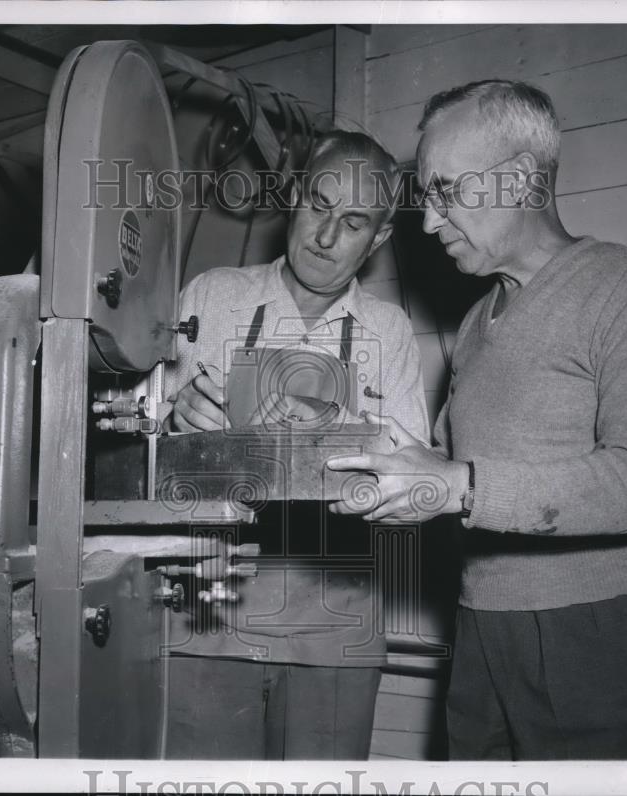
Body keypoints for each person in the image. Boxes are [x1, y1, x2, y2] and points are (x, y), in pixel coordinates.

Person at [327, 80, 627, 760]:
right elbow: (439, 466)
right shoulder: (478, 321)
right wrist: (331, 437)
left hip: (606, 630)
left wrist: (458, 486)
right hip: (483, 629)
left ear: (523, 180)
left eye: (446, 191)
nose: (429, 222)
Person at [161, 130, 430, 759]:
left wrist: (332, 425)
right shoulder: (212, 296)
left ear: (378, 240)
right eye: (318, 205)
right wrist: (177, 417)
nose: (326, 237)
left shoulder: (388, 332)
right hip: (206, 620)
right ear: (294, 197)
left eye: (354, 222)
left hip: (333, 628)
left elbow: (416, 490)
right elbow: (128, 446)